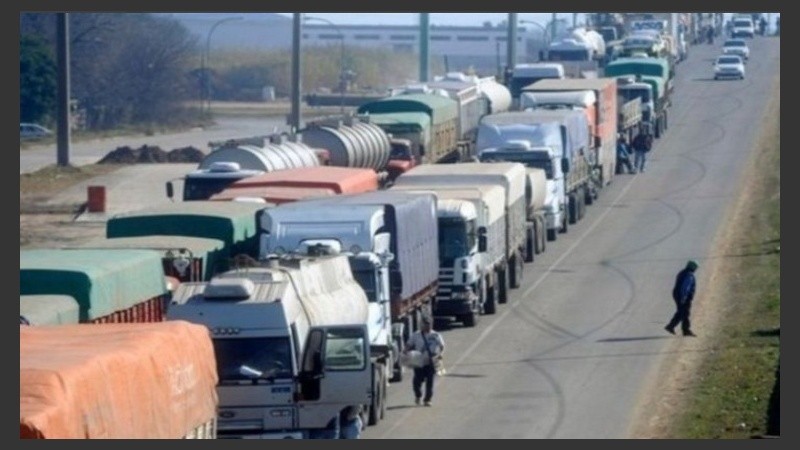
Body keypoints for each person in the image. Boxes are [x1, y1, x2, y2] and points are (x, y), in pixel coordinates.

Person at [404, 316, 445, 407]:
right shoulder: (416, 335)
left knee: (430, 381)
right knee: (417, 380)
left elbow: (442, 346)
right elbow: (409, 344)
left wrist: (440, 354)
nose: (427, 326)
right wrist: (405, 351)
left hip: (431, 360)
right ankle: (418, 395)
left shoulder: (436, 335)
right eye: (425, 324)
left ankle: (428, 399)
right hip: (419, 360)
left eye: (429, 324)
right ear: (421, 325)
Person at [666, 260, 699, 337]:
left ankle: (671, 326)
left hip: (676, 294)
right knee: (685, 312)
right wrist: (684, 297)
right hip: (683, 296)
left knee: (681, 312)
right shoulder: (689, 275)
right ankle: (685, 330)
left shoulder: (682, 272)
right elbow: (685, 287)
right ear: (693, 268)